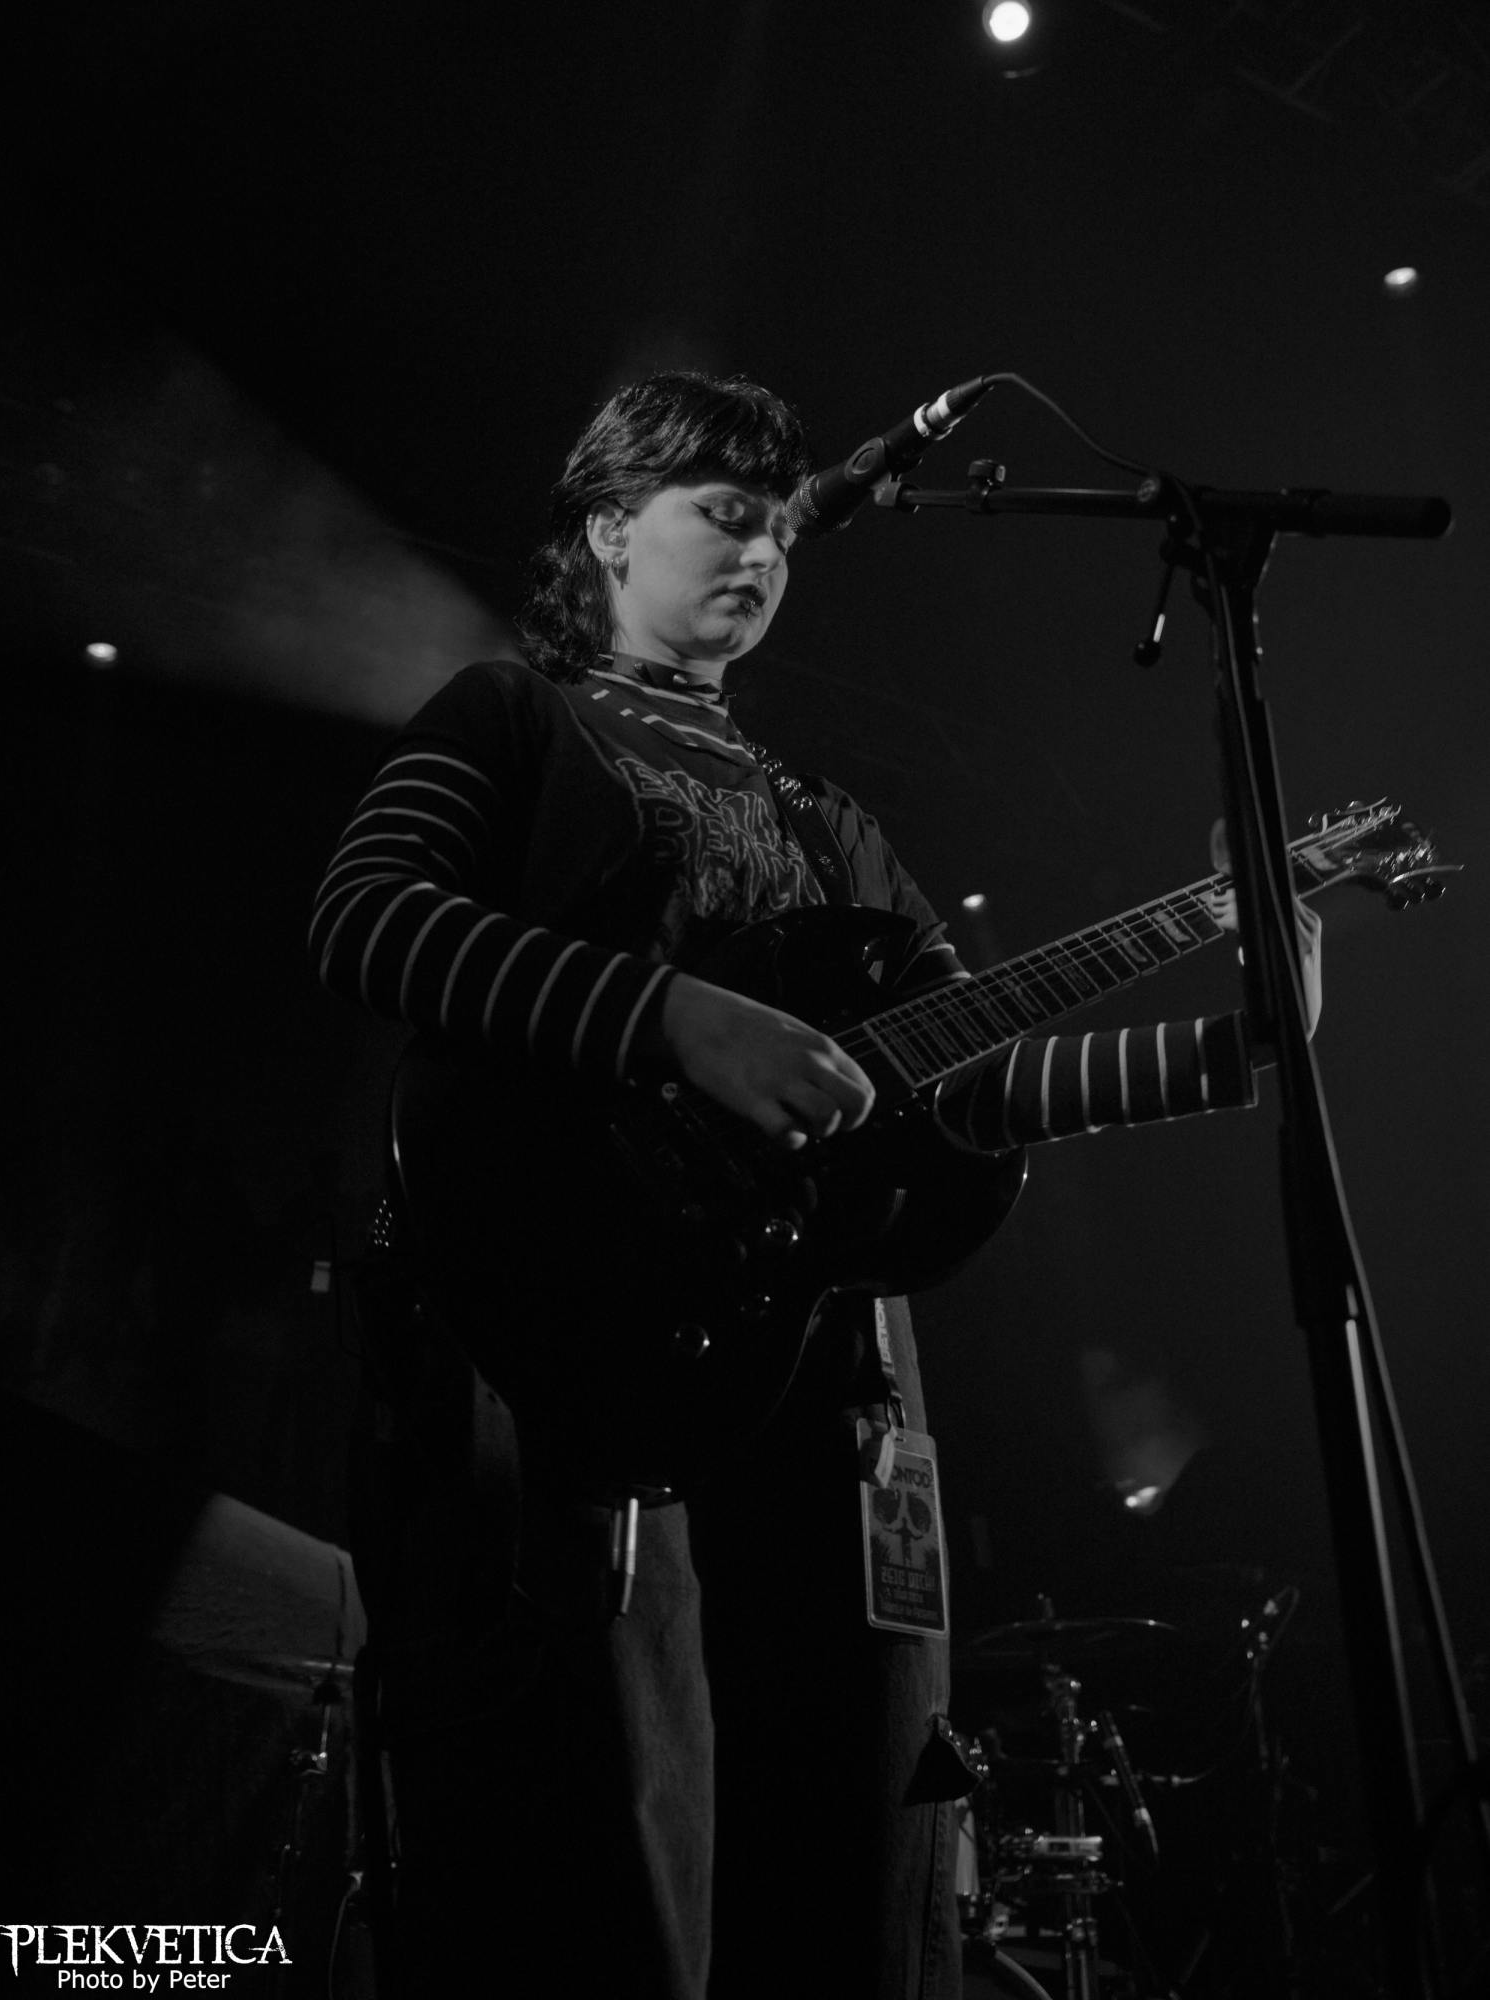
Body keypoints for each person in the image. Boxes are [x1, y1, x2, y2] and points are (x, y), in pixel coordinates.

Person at [308, 370, 1320, 1999]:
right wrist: (667, 1014)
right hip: (571, 1332)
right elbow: (367, 917)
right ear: (609, 526)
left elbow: (964, 1083)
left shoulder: (827, 820)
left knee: (855, 1830)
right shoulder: (513, 718)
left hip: (819, 1357)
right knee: (611, 1824)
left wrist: (1236, 1046)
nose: (765, 552)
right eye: (725, 514)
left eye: (782, 527)